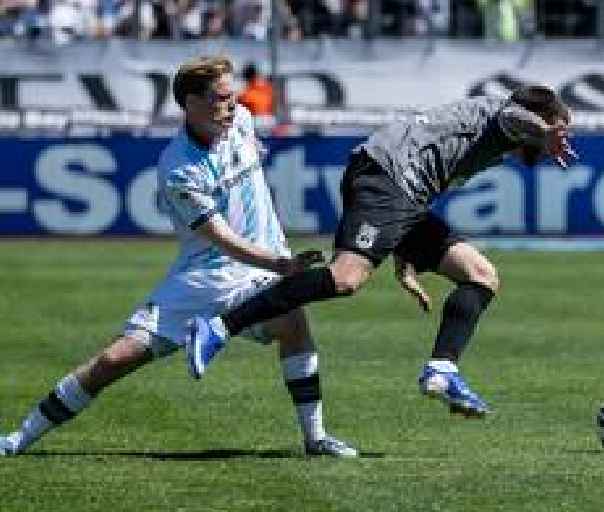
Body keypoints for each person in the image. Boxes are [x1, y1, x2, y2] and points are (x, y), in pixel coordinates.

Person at [0, 55, 357, 458]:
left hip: (255, 273)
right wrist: (280, 264)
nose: (232, 105)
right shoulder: (178, 167)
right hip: (202, 279)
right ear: (191, 102)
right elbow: (222, 239)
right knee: (114, 359)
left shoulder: (242, 121)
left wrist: (275, 257)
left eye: (233, 96)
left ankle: (315, 438)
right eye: (221, 98)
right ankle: (19, 439)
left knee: (293, 321)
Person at [186, 85, 576, 417]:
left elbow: (427, 188)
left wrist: (405, 259)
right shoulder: (505, 119)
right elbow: (513, 115)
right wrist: (546, 131)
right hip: (387, 177)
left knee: (481, 275)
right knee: (345, 278)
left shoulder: (493, 140)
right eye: (561, 130)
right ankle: (219, 327)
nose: (559, 144)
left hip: (403, 192)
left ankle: (442, 370)